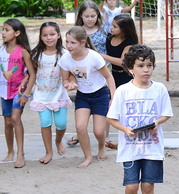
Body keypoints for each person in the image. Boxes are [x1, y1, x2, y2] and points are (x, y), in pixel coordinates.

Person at [106, 44, 173, 194]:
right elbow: (111, 118)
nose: (146, 69)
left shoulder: (159, 88)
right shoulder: (123, 90)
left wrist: (157, 124)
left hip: (152, 147)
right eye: (141, 65)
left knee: (148, 186)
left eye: (149, 65)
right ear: (130, 69)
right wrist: (125, 129)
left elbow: (166, 113)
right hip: (129, 148)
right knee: (132, 187)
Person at [59, 26, 116, 168]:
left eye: (73, 43)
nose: (69, 46)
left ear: (83, 42)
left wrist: (113, 98)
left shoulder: (94, 57)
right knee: (80, 126)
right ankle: (88, 157)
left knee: (98, 131)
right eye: (67, 42)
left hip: (100, 94)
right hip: (83, 96)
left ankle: (101, 146)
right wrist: (69, 85)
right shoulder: (65, 59)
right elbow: (65, 80)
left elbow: (109, 77)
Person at [25, 21, 71, 164]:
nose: (48, 38)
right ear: (40, 37)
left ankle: (58, 141)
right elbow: (31, 73)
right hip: (41, 96)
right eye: (45, 35)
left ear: (58, 35)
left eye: (52, 34)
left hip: (59, 95)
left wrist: (71, 82)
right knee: (45, 122)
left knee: (61, 124)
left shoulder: (64, 53)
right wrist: (24, 85)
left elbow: (71, 70)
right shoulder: (36, 54)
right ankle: (49, 152)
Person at [101, 14, 140, 150]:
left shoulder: (129, 42)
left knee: (125, 110)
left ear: (123, 29)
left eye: (115, 26)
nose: (111, 28)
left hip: (126, 77)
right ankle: (105, 137)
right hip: (112, 76)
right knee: (108, 107)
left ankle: (124, 138)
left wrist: (101, 56)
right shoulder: (109, 38)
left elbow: (122, 62)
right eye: (111, 24)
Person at [1, 19, 35, 168]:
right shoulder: (1, 50)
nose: (3, 33)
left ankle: (20, 153)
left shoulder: (23, 51)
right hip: (4, 92)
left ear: (17, 33)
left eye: (7, 30)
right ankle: (10, 152)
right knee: (7, 122)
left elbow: (32, 74)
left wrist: (26, 94)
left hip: (18, 92)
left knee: (15, 118)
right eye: (3, 29)